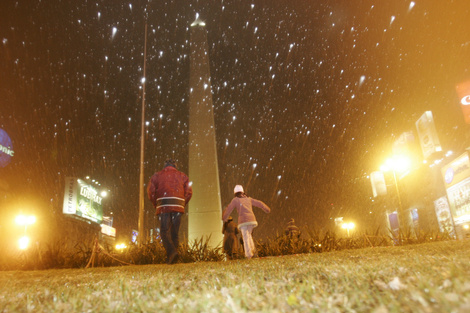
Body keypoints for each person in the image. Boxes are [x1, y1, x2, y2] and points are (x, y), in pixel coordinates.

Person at [147, 159, 192, 264]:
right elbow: (189, 192)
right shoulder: (183, 176)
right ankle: (173, 259)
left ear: (165, 166)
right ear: (175, 166)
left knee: (164, 231)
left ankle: (171, 253)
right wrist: (182, 204)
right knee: (175, 233)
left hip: (164, 204)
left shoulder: (157, 175)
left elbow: (150, 191)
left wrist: (156, 203)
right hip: (178, 205)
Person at [222, 185, 271, 259]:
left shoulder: (235, 200)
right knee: (249, 236)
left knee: (245, 237)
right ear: (242, 191)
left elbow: (229, 208)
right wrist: (267, 209)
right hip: (252, 220)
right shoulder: (248, 199)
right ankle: (253, 252)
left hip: (243, 221)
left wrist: (224, 217)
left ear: (235, 192)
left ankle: (248, 255)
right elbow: (259, 203)